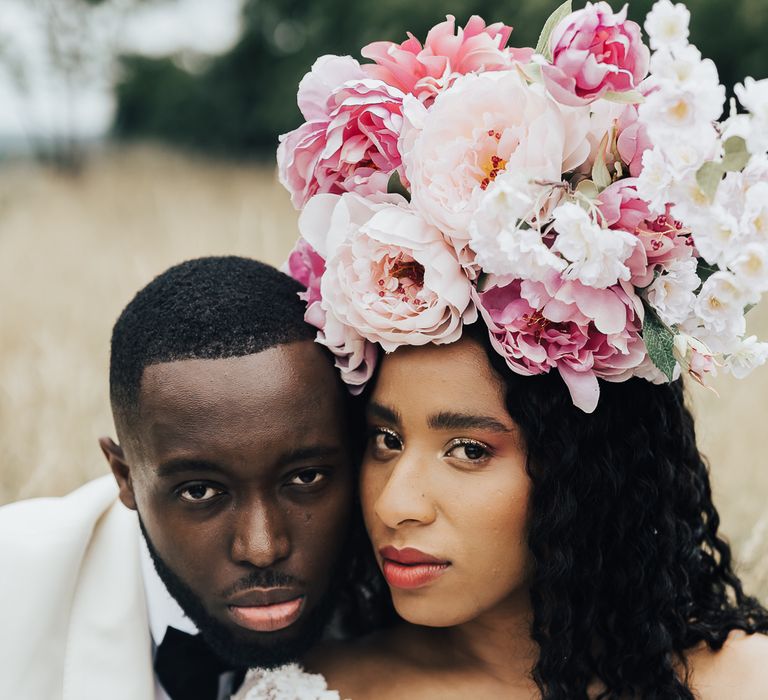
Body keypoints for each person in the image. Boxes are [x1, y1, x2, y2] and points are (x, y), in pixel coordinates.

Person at [231, 1, 768, 697]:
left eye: (469, 450)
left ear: (589, 469)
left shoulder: (742, 680)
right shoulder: (313, 688)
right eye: (384, 440)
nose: (398, 504)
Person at [0, 256, 367, 700]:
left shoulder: (418, 592)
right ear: (124, 477)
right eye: (200, 491)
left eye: (306, 478)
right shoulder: (14, 580)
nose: (262, 548)